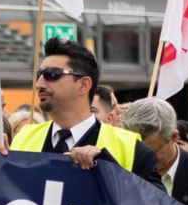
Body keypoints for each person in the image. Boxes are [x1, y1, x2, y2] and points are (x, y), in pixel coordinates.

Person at [10, 37, 160, 184]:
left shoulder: (131, 148)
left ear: (83, 85)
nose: (39, 84)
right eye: (39, 75)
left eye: (52, 74)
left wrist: (106, 165)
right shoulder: (23, 137)